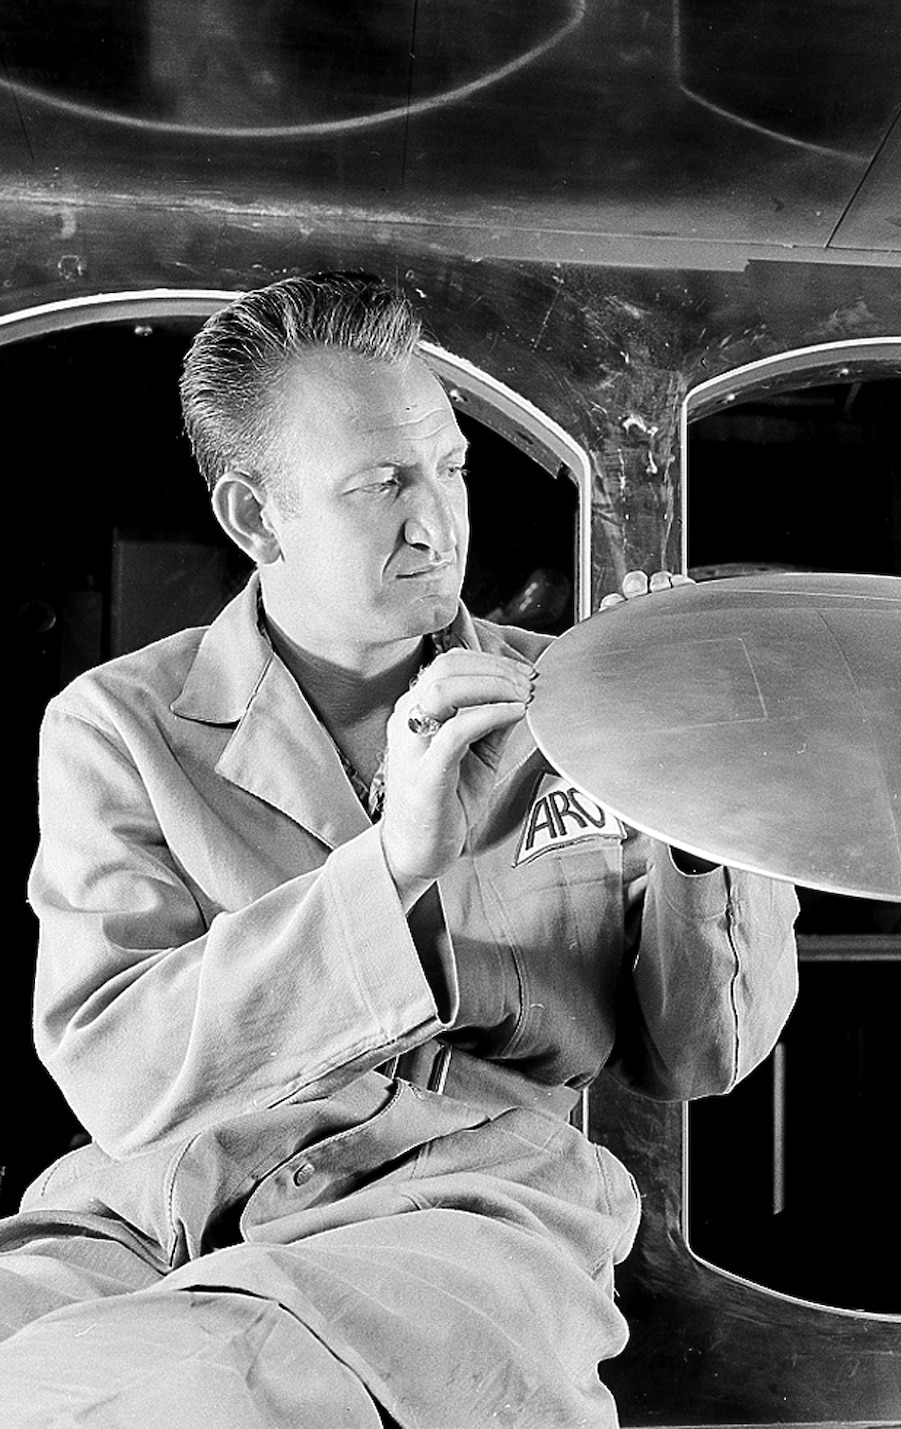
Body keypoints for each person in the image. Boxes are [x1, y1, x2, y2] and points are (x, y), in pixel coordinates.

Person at [0, 272, 799, 1425]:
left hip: (465, 1207)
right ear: (254, 515)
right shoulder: (117, 725)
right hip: (148, 1205)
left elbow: (700, 1056)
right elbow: (120, 1073)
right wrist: (392, 865)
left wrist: (702, 804)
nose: (438, 524)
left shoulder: (580, 710)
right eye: (381, 484)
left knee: (193, 1395)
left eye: (450, 467)